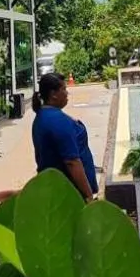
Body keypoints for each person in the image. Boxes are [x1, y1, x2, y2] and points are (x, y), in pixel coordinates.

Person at [30, 72, 97, 202]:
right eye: (64, 89)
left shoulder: (43, 116)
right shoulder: (57, 121)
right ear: (53, 94)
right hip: (70, 194)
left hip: (57, 189)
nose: (67, 93)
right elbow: (72, 162)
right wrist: (88, 196)